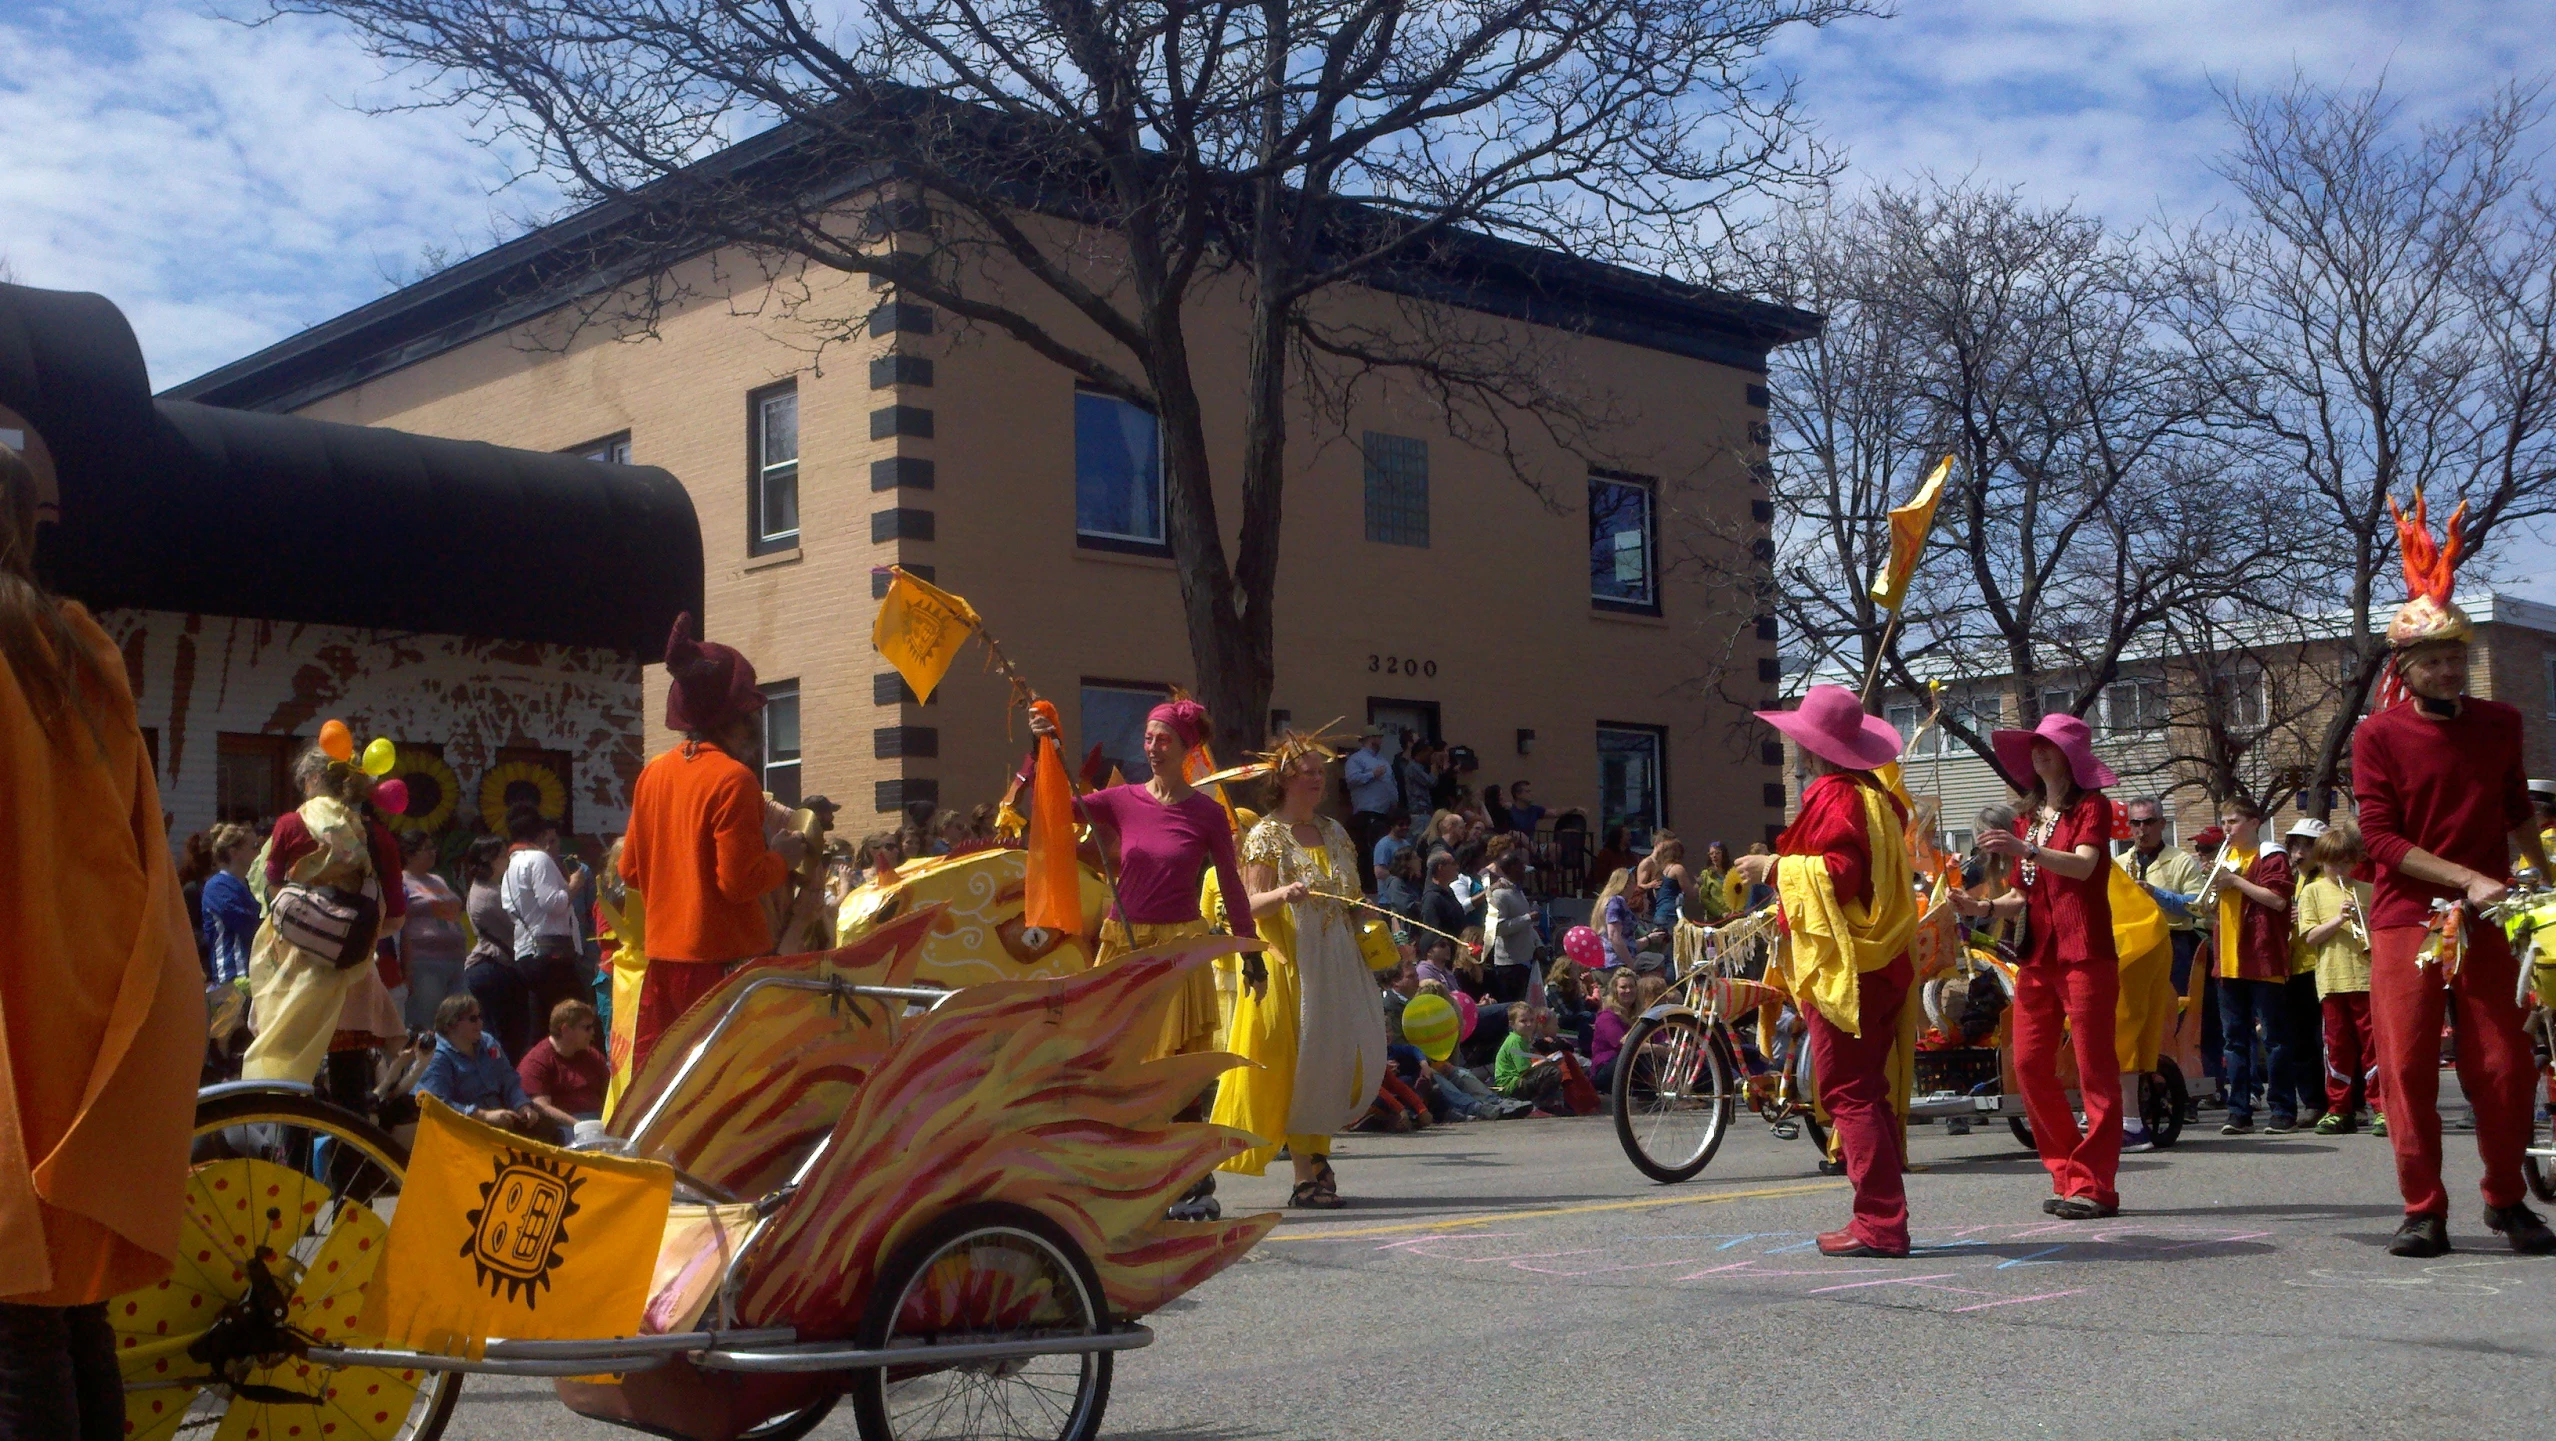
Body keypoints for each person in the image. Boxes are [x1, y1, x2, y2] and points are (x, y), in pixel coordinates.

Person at [0, 444, 204, 1439]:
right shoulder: (76, 646)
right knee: (68, 1310)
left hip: (12, 1014)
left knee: (13, 1322)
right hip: (84, 1007)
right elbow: (136, 838)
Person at [2353, 494, 2554, 1257]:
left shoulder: (2501, 723)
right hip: (2410, 916)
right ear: (2404, 667)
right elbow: (2380, 838)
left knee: (2504, 1064)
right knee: (2404, 1065)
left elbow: (2514, 811)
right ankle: (2422, 1206)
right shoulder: (2378, 735)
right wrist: (2467, 876)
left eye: (2454, 656)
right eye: (2429, 657)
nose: (2445, 668)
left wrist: (2541, 874)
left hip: (2493, 917)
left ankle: (2505, 1197)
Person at [1731, 684, 1919, 1255]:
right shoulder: (1871, 795)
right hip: (1879, 963)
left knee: (1848, 1093)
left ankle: (1881, 1224)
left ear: (1813, 748)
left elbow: (1837, 874)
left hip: (1848, 967)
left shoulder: (1838, 796)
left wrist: (1775, 867)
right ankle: (1882, 1216)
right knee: (1869, 1091)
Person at [1952, 710, 2120, 1220]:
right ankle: (2069, 1171)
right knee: (2026, 1064)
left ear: (2070, 756)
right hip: (2039, 957)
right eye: (2035, 745)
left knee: (2094, 1069)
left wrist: (2026, 847)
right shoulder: (2029, 816)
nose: (2039, 752)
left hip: (2085, 951)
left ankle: (2096, 1184)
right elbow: (2025, 898)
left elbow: (2085, 865)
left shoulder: (2091, 808)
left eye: (2048, 745)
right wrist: (1980, 908)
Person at [620, 614, 801, 1076]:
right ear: (736, 717)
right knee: (730, 1089)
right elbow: (740, 884)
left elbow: (630, 873)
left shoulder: (653, 774)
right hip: (725, 963)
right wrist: (784, 858)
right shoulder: (733, 779)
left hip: (664, 962)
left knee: (665, 1088)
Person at [1213, 732, 1389, 1207]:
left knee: (1330, 1061)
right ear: (1286, 779)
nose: (1319, 778)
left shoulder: (1334, 832)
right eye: (1309, 771)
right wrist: (1283, 895)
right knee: (1299, 1063)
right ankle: (1304, 1172)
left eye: (1320, 771)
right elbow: (1246, 905)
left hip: (1335, 959)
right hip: (1293, 963)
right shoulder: (1267, 837)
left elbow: (1351, 898)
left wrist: (1370, 920)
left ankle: (1317, 1155)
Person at [241, 738, 408, 1083]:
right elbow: (394, 918)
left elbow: (273, 895)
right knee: (351, 1094)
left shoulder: (289, 826)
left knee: (287, 1086)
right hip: (353, 976)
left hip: (288, 976)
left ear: (311, 780)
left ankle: (290, 1135)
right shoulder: (379, 838)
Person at [2205, 799, 2295, 1136]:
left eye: (2234, 821)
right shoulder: (2225, 859)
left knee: (2274, 1039)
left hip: (2262, 956)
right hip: (2227, 959)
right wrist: (2214, 890)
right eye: (2224, 821)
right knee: (2234, 1041)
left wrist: (2234, 881)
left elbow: (2278, 900)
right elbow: (2213, 905)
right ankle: (2238, 1111)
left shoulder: (2272, 855)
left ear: (2255, 822)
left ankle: (2283, 1109)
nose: (2227, 828)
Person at [2118, 797, 2216, 1097]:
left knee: (2176, 1017)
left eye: (2148, 822)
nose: (2141, 829)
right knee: (2136, 1018)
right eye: (2135, 823)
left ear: (2162, 824)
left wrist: (2157, 893)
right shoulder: (2121, 864)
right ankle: (2144, 1087)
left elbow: (2199, 906)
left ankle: (2181, 1088)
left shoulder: (2181, 860)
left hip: (2174, 943)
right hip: (2133, 947)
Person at [2296, 819, 2382, 1137]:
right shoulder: (2314, 892)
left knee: (2373, 1046)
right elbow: (2311, 937)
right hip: (2332, 980)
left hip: (2366, 977)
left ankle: (2381, 1107)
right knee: (2337, 1047)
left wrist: (2363, 918)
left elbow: (2379, 934)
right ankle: (2339, 1109)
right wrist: (2339, 918)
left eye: (2346, 862)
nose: (2340, 869)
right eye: (2333, 862)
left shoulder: (2369, 890)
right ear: (2323, 861)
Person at [503, 807, 588, 1032]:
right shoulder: (538, 858)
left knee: (540, 1023)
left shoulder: (511, 864)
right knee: (572, 1019)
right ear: (539, 834)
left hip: (526, 951)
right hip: (551, 956)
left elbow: (508, 907)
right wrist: (575, 885)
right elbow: (555, 903)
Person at [413, 993, 541, 1136]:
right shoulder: (436, 1056)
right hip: (463, 1131)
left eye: (480, 1017)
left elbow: (508, 1079)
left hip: (503, 1122)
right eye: (473, 1019)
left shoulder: (488, 1043)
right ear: (451, 1024)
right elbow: (438, 1105)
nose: (480, 1023)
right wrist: (483, 1116)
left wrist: (522, 1106)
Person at [461, 833, 535, 1063]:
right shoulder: (489, 894)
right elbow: (521, 922)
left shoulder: (489, 888)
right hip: (494, 968)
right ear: (489, 859)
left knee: (508, 1036)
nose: (508, 860)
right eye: (503, 855)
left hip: (496, 968)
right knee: (503, 1038)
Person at [2278, 817, 2330, 1127]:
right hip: (2296, 966)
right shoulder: (2292, 879)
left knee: (2329, 1038)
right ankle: (2312, 1101)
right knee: (2300, 1040)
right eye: (2295, 846)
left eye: (2306, 847)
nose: (2298, 854)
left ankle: (2346, 1100)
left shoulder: (2331, 877)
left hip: (2325, 964)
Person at [398, 827, 471, 1033]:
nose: (433, 852)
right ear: (409, 853)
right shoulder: (401, 882)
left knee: (460, 1023)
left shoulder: (437, 880)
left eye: (433, 847)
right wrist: (406, 969)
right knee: (426, 1024)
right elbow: (400, 926)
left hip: (456, 962)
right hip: (425, 965)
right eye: (426, 849)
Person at [517, 998, 611, 1135]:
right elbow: (541, 1107)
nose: (592, 1032)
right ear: (565, 1030)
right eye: (587, 1028)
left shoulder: (590, 1054)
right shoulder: (536, 1062)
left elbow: (610, 1087)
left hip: (599, 1121)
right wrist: (579, 1126)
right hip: (564, 1129)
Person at [199, 822, 263, 987]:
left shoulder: (244, 884)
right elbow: (247, 925)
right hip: (232, 978)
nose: (259, 851)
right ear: (234, 852)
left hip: (250, 975)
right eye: (254, 846)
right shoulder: (218, 886)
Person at [1345, 725, 1398, 890]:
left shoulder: (1384, 760)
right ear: (1370, 738)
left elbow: (1392, 783)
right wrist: (1372, 775)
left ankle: (1382, 886)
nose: (1381, 740)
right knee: (1368, 852)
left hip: (1385, 814)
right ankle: (1369, 888)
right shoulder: (1356, 759)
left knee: (1383, 850)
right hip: (1367, 813)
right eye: (1378, 737)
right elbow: (1351, 780)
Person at [1482, 856, 1540, 1002]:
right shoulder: (1499, 894)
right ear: (1511, 869)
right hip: (1509, 966)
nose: (1524, 873)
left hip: (1525, 960)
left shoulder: (1518, 891)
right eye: (1521, 868)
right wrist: (1527, 918)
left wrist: (1538, 944)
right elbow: (1499, 928)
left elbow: (1527, 925)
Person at [1590, 967, 1642, 1092]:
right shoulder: (1607, 1016)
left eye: (1631, 986)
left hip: (1628, 1065)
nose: (1628, 990)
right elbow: (1623, 1043)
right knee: (1637, 1057)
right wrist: (1659, 1049)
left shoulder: (1641, 1014)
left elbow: (1659, 1036)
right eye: (1623, 987)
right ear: (1615, 990)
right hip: (1606, 1069)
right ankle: (1666, 1098)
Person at [1590, 867, 1646, 970]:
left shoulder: (1604, 902)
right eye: (1633, 883)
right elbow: (1614, 936)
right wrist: (1630, 964)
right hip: (1616, 963)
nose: (1635, 887)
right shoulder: (1616, 901)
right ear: (1625, 884)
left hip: (1603, 962)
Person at [1419, 849, 1470, 947]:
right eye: (1453, 864)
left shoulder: (1448, 891)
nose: (1457, 867)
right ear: (1440, 868)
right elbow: (1433, 933)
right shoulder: (1432, 898)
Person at [1371, 810, 1415, 878]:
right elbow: (1379, 872)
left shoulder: (1406, 843)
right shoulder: (1383, 845)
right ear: (1391, 826)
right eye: (1401, 824)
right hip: (1389, 887)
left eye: (1407, 824)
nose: (1405, 827)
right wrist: (1401, 876)